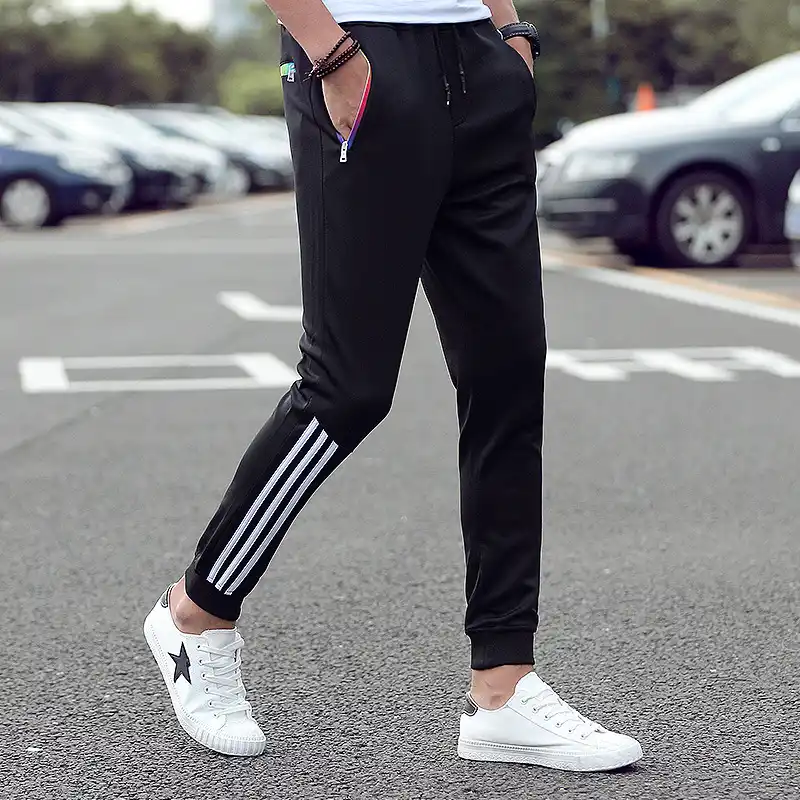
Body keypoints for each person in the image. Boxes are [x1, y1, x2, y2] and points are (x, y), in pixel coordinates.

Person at [144, 0, 644, 772]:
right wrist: (331, 54)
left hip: (479, 58)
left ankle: (503, 689)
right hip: (358, 55)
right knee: (346, 388)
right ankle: (197, 611)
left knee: (507, 378)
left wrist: (508, 32)